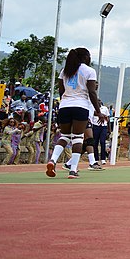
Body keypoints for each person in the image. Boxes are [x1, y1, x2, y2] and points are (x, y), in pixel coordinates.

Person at [45, 47, 108, 179]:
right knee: (78, 138)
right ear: (85, 57)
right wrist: (98, 111)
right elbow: (92, 92)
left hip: (64, 106)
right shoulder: (89, 71)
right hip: (80, 106)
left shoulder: (65, 71)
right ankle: (73, 170)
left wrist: (66, 101)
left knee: (65, 136)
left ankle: (52, 160)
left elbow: (61, 91)